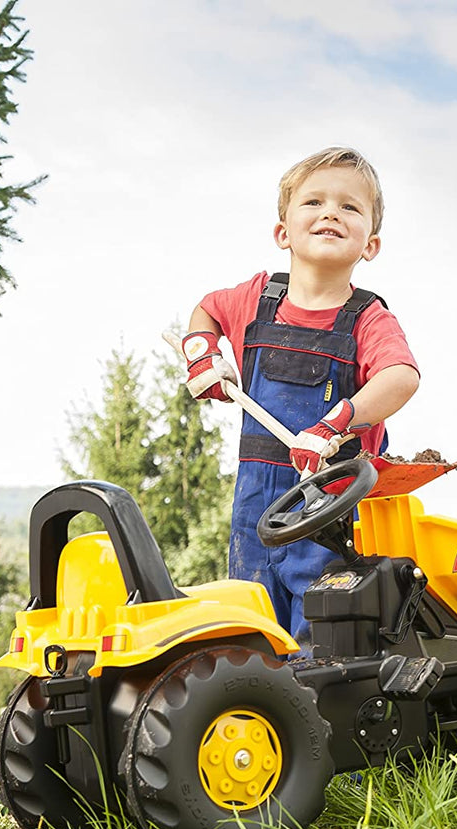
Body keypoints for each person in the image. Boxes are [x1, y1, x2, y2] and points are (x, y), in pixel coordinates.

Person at [179, 147, 420, 648]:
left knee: (322, 639)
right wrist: (202, 353)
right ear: (282, 233)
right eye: (314, 201)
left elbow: (400, 376)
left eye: (350, 207)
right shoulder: (255, 299)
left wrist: (338, 423)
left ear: (370, 244)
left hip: (331, 515)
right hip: (254, 515)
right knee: (250, 629)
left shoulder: (368, 319)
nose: (331, 212)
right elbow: (207, 310)